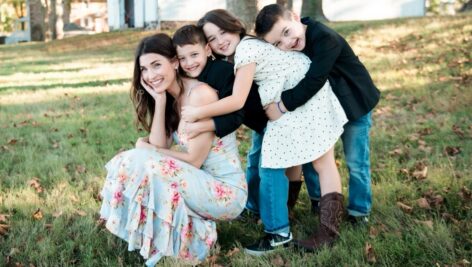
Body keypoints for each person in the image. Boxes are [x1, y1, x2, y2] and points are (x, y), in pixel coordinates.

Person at [185, 9, 348, 255]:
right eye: (212, 38)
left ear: (235, 26)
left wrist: (196, 113)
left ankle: (284, 232)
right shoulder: (242, 51)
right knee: (282, 159)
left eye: (223, 31)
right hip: (293, 98)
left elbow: (238, 100)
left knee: (279, 165)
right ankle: (284, 216)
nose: (220, 40)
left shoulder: (246, 50)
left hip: (303, 98)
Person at [99, 33, 248, 266]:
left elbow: (193, 160)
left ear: (175, 63)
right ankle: (185, 233)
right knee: (138, 160)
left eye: (156, 65)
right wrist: (159, 101)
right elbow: (160, 145)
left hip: (226, 192)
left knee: (142, 160)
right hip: (199, 182)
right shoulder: (171, 97)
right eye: (144, 69)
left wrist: (147, 150)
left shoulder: (199, 95)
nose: (150, 75)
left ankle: (188, 235)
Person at [255, 3, 381, 235]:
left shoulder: (325, 38)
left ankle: (359, 211)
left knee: (356, 162)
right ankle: (318, 201)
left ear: (295, 17)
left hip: (355, 103)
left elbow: (314, 80)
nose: (287, 43)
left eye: (286, 32)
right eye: (277, 43)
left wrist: (281, 106)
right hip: (326, 107)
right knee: (314, 154)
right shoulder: (293, 44)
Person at [172, 24, 304, 218]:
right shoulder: (198, 74)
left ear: (207, 50)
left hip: (272, 119)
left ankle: (287, 208)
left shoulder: (221, 72)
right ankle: (253, 207)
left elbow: (237, 113)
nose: (189, 63)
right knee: (254, 162)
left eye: (194, 55)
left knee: (277, 165)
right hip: (260, 123)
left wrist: (205, 124)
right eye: (182, 58)